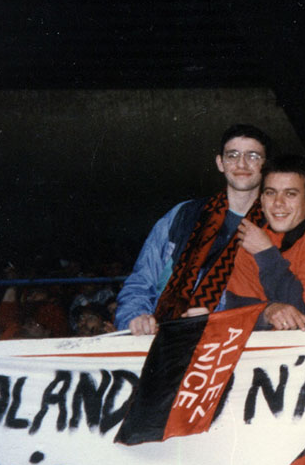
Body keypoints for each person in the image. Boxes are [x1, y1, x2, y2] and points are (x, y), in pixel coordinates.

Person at [114, 124, 270, 335]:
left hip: (232, 344)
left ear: (265, 164)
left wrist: (217, 319)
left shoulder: (274, 224)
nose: (241, 163)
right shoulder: (183, 215)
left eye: (253, 156)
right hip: (164, 336)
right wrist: (136, 317)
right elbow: (141, 282)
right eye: (232, 155)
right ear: (220, 163)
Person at [224, 155, 305, 330]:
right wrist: (267, 311)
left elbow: (303, 315)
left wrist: (265, 254)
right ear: (262, 202)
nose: (278, 203)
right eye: (271, 193)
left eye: (290, 194)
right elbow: (234, 311)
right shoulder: (253, 240)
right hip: (271, 351)